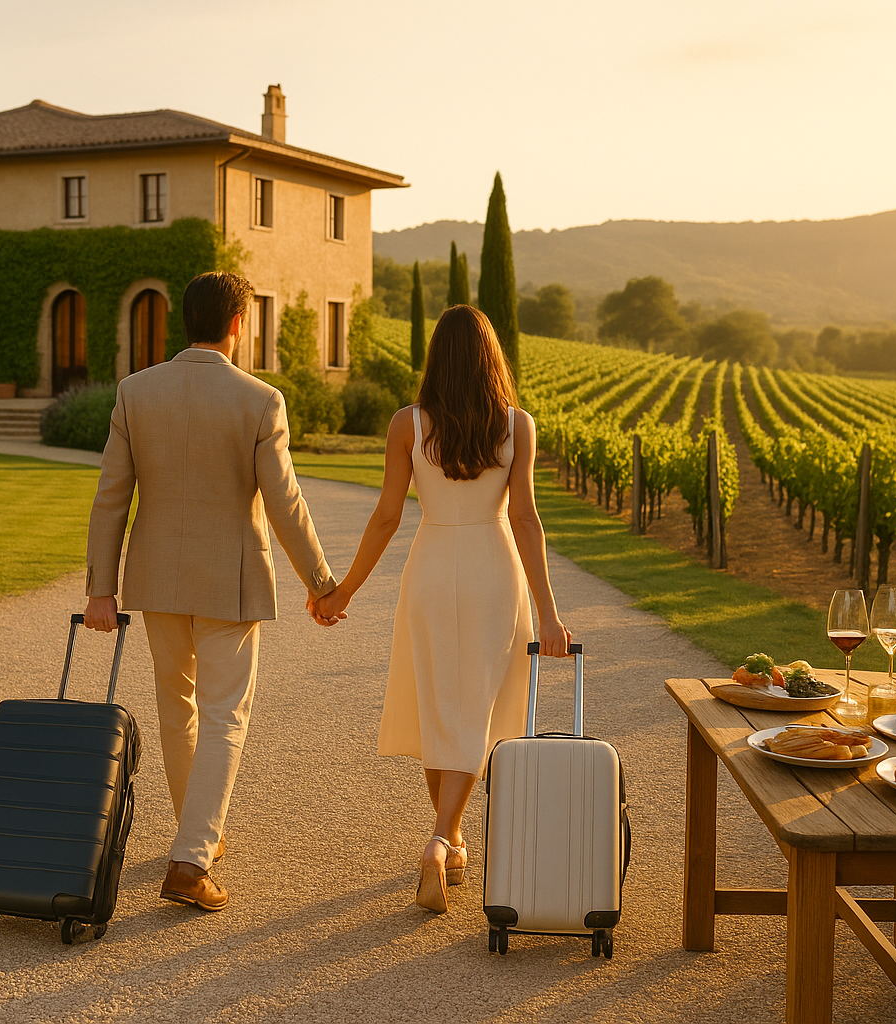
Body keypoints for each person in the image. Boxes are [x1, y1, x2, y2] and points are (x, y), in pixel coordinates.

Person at [83, 271, 341, 913]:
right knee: (226, 715)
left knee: (180, 709)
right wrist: (321, 582)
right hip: (230, 581)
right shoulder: (261, 400)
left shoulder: (135, 392)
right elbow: (284, 501)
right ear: (237, 324)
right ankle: (193, 856)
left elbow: (110, 499)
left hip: (156, 583)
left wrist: (100, 591)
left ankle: (198, 832)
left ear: (186, 322)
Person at [313, 305, 572, 914]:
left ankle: (447, 839)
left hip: (430, 568)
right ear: (491, 359)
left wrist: (343, 590)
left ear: (436, 359)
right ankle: (442, 839)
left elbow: (385, 517)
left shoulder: (408, 424)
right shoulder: (517, 425)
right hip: (492, 567)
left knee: (438, 704)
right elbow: (529, 522)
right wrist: (551, 614)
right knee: (474, 709)